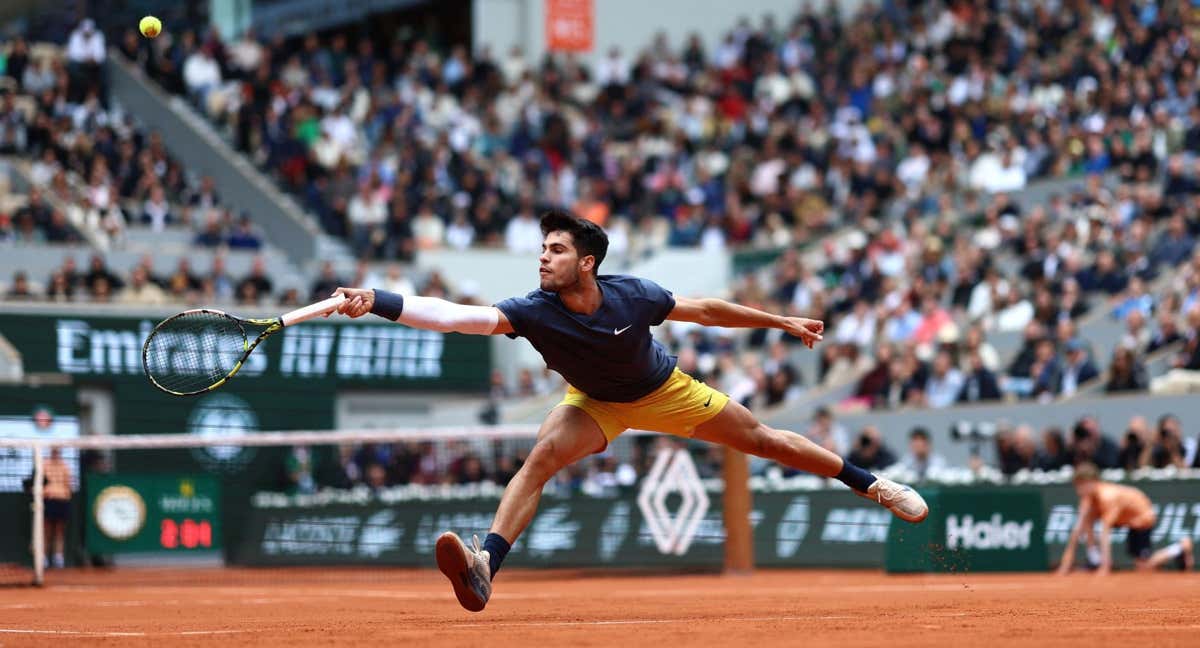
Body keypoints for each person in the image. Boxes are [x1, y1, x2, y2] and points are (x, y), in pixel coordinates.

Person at [333, 210, 929, 612]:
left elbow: (707, 310)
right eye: (543, 249)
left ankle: (873, 484)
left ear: (586, 262)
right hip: (593, 404)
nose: (544, 258)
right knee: (540, 457)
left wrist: (781, 321)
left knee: (764, 439)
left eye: (557, 250)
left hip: (664, 390)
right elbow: (456, 316)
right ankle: (484, 564)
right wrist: (379, 300)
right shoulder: (532, 309)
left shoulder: (632, 295)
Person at [1056, 463, 1193, 575]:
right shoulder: (1088, 499)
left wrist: (1106, 567)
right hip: (1125, 519)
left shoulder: (1108, 496)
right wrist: (1065, 564)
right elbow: (1077, 531)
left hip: (1142, 517)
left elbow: (1105, 532)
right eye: (1077, 485)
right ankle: (1094, 560)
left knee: (1143, 567)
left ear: (1093, 482)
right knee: (1087, 519)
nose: (1078, 490)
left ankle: (1181, 547)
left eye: (1081, 484)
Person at [42, 445, 73, 569]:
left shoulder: (65, 467)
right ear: (50, 452)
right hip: (48, 500)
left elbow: (68, 485)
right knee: (46, 531)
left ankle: (58, 557)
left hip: (62, 500)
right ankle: (43, 558)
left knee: (60, 531)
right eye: (53, 452)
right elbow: (40, 483)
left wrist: (65, 494)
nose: (55, 454)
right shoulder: (44, 465)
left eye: (57, 452)